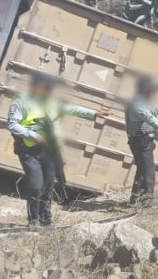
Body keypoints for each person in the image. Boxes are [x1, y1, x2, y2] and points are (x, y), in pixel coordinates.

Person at [7, 72, 108, 229]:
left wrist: (94, 113)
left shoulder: (51, 102)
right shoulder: (21, 101)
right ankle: (33, 220)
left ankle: (46, 219)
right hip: (29, 151)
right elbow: (13, 124)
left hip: (50, 151)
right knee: (36, 186)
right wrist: (33, 135)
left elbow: (71, 109)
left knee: (48, 187)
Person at [124, 77, 158, 206]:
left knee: (142, 170)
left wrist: (157, 132)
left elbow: (153, 116)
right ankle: (148, 201)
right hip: (140, 140)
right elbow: (149, 118)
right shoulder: (136, 104)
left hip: (144, 139)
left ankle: (135, 199)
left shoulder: (144, 102)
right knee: (148, 171)